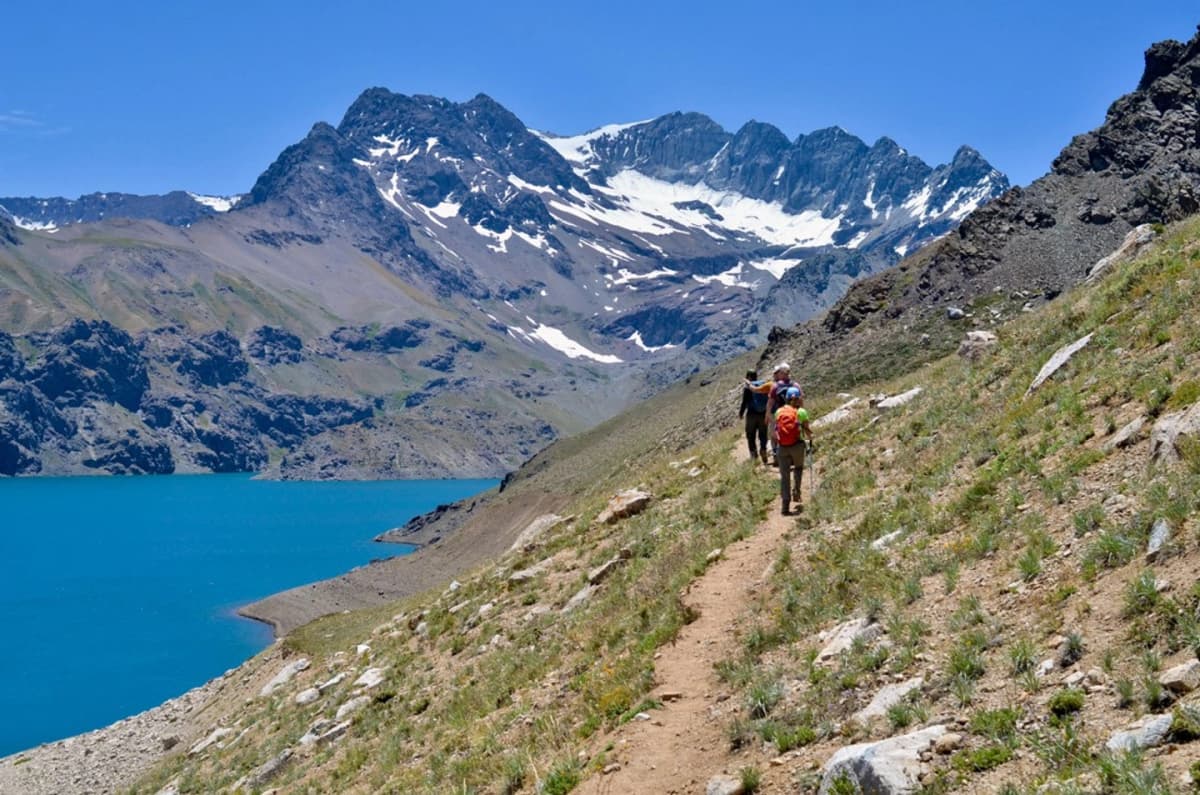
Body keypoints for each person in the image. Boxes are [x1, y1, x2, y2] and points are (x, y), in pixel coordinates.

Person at [774, 386, 813, 515]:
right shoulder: (801, 412)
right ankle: (796, 491)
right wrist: (811, 438)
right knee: (798, 468)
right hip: (797, 445)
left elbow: (776, 430)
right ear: (798, 399)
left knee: (785, 476)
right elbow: (807, 430)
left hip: (782, 448)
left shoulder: (779, 412)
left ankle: (785, 505)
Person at [738, 369, 770, 463]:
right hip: (763, 414)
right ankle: (763, 449)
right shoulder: (763, 385)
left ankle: (754, 455)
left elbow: (744, 402)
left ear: (748, 377)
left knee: (750, 435)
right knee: (763, 434)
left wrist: (741, 413)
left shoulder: (748, 388)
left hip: (751, 414)